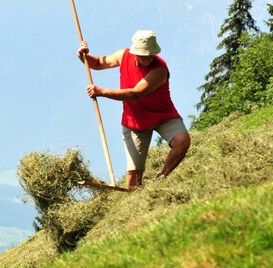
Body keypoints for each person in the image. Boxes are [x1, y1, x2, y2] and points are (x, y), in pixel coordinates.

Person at [77, 30, 191, 190]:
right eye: (144, 55)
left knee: (182, 141)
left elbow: (135, 93)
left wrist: (102, 92)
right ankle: (137, 205)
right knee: (133, 179)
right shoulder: (123, 56)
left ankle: (162, 176)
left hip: (163, 116)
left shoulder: (159, 70)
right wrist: (84, 56)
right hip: (135, 122)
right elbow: (97, 63)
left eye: (151, 54)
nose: (149, 58)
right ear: (135, 52)